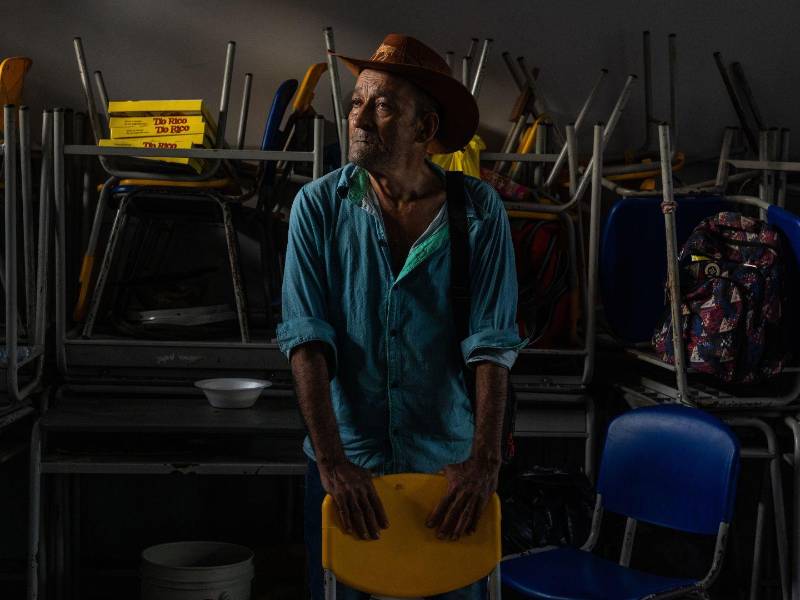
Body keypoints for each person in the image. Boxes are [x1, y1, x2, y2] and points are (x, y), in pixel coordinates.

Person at [277, 33, 524, 599]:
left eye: (383, 105)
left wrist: (484, 461)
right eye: (356, 103)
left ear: (425, 129)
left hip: (446, 473)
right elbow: (305, 339)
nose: (360, 118)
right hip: (349, 471)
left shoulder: (477, 210)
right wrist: (333, 463)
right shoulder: (318, 205)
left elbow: (491, 343)